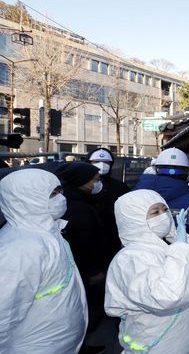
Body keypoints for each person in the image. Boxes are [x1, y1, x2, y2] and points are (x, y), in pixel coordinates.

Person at [105, 189, 189, 353]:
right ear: (134, 219)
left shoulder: (172, 241)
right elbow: (169, 296)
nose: (163, 215)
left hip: (185, 341)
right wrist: (180, 248)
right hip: (153, 346)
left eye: (165, 209)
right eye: (155, 212)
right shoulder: (129, 259)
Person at [0, 169, 88, 353]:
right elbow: (4, 313)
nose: (60, 198)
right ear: (26, 199)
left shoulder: (49, 231)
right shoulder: (19, 249)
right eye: (52, 194)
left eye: (59, 191)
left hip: (58, 343)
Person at [55, 161, 116, 349]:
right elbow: (87, 244)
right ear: (82, 182)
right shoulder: (79, 208)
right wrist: (94, 271)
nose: (98, 184)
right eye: (95, 180)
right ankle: (81, 344)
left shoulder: (74, 201)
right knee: (85, 309)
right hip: (86, 271)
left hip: (79, 269)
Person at [135, 148, 189, 243]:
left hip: (142, 252)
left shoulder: (135, 195)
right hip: (183, 252)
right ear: (187, 173)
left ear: (156, 169)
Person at [87, 147, 130, 253]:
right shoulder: (80, 184)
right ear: (89, 162)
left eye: (106, 162)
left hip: (112, 234)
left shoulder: (120, 186)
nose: (102, 165)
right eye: (96, 161)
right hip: (86, 234)